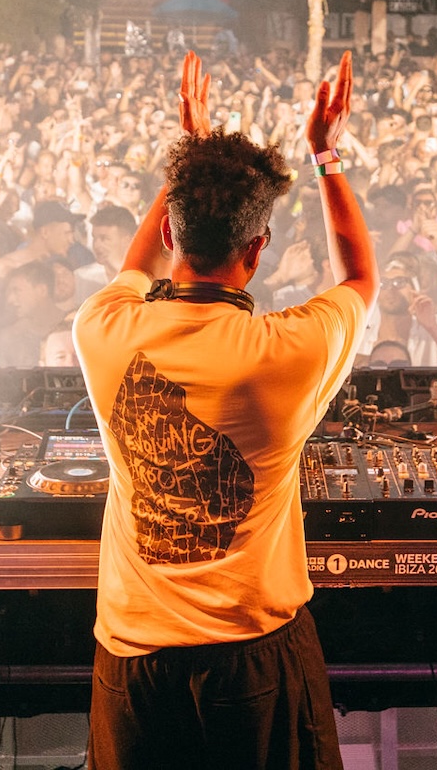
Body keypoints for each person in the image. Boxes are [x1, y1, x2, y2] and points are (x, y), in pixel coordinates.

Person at [74, 51, 374, 770]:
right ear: (259, 248)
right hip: (253, 658)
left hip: (133, 660)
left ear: (171, 233)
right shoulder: (287, 350)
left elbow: (134, 268)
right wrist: (325, 153)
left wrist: (189, 158)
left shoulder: (102, 328)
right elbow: (361, 276)